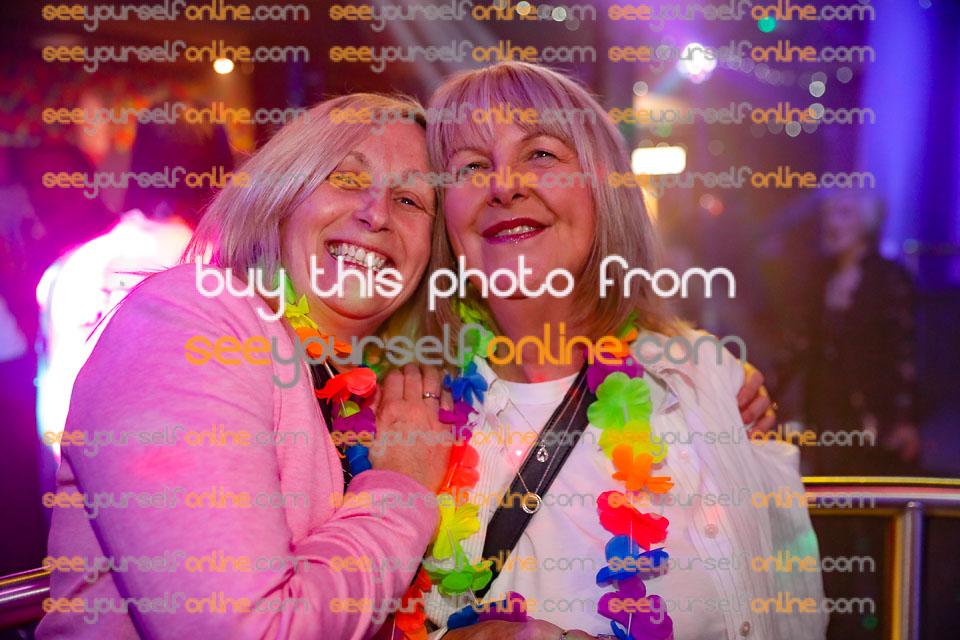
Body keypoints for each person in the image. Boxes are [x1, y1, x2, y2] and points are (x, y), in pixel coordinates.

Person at [419, 62, 825, 640]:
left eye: (541, 154)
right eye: (471, 166)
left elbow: (791, 601)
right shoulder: (414, 416)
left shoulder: (703, 374)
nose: (504, 185)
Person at [36, 93, 453, 640]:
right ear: (281, 197)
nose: (376, 213)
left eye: (410, 200)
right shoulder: (194, 321)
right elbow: (242, 630)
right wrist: (400, 489)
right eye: (348, 178)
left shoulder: (361, 391)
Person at [36, 113, 234, 467]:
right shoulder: (214, 265)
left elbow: (57, 391)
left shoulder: (79, 261)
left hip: (76, 474)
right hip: (174, 478)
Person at [803, 190, 919, 475]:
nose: (833, 223)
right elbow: (797, 345)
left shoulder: (888, 278)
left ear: (866, 221)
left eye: (844, 213)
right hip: (825, 416)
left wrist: (905, 419)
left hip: (876, 418)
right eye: (829, 214)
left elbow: (905, 353)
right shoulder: (818, 279)